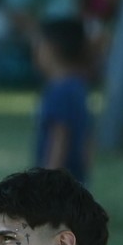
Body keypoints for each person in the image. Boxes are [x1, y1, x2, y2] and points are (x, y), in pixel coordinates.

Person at [31, 18, 93, 183]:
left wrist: (49, 178)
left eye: (39, 46)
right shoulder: (78, 86)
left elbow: (60, 135)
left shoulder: (59, 91)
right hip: (76, 179)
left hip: (59, 184)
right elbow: (87, 138)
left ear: (51, 48)